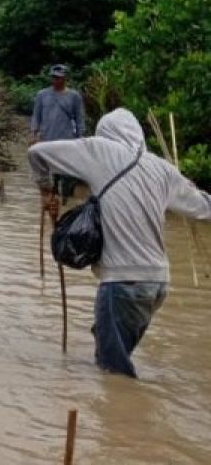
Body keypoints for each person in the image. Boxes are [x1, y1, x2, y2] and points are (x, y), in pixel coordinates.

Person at [29, 108, 211, 378]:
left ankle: (124, 417)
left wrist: (46, 192)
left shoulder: (99, 150)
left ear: (106, 133)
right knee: (111, 354)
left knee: (113, 373)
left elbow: (36, 153)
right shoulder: (163, 168)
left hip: (123, 282)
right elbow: (203, 207)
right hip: (157, 285)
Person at [31, 64, 85, 203]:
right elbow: (36, 117)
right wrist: (34, 134)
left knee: (65, 172)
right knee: (48, 171)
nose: (56, 80)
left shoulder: (74, 96)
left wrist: (80, 139)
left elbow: (79, 119)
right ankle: (52, 197)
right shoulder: (42, 95)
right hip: (47, 139)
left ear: (65, 78)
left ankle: (65, 199)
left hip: (67, 140)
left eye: (59, 78)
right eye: (54, 77)